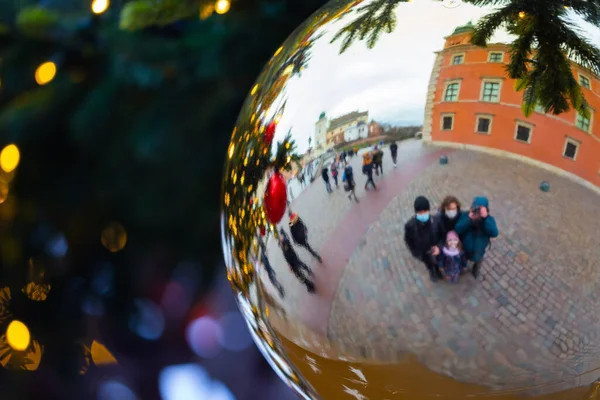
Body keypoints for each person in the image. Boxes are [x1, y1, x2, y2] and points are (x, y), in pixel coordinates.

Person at [454, 196, 499, 279]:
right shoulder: (466, 215)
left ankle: (476, 269)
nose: (478, 212)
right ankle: (463, 267)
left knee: (478, 260)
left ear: (486, 210)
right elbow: (457, 229)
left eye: (481, 209)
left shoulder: (489, 219)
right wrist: (469, 219)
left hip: (479, 250)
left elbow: (494, 233)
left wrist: (485, 218)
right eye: (476, 209)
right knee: (464, 259)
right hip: (465, 248)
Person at [404, 196, 443, 282]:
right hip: (423, 253)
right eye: (420, 212)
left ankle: (437, 270)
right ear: (416, 212)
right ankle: (432, 272)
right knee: (429, 264)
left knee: (436, 261)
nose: (422, 214)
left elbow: (442, 236)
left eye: (425, 211)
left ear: (428, 210)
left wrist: (439, 247)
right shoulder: (410, 226)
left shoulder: (436, 221)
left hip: (435, 249)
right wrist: (417, 254)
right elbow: (408, 241)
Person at [278, 229, 315, 293]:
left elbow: (287, 240)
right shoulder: (284, 249)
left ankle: (310, 284)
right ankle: (308, 282)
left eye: (280, 244)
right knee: (300, 274)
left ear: (282, 243)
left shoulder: (286, 245)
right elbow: (287, 259)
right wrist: (289, 266)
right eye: (280, 245)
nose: (280, 246)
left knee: (300, 274)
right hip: (293, 264)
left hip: (294, 261)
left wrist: (283, 233)